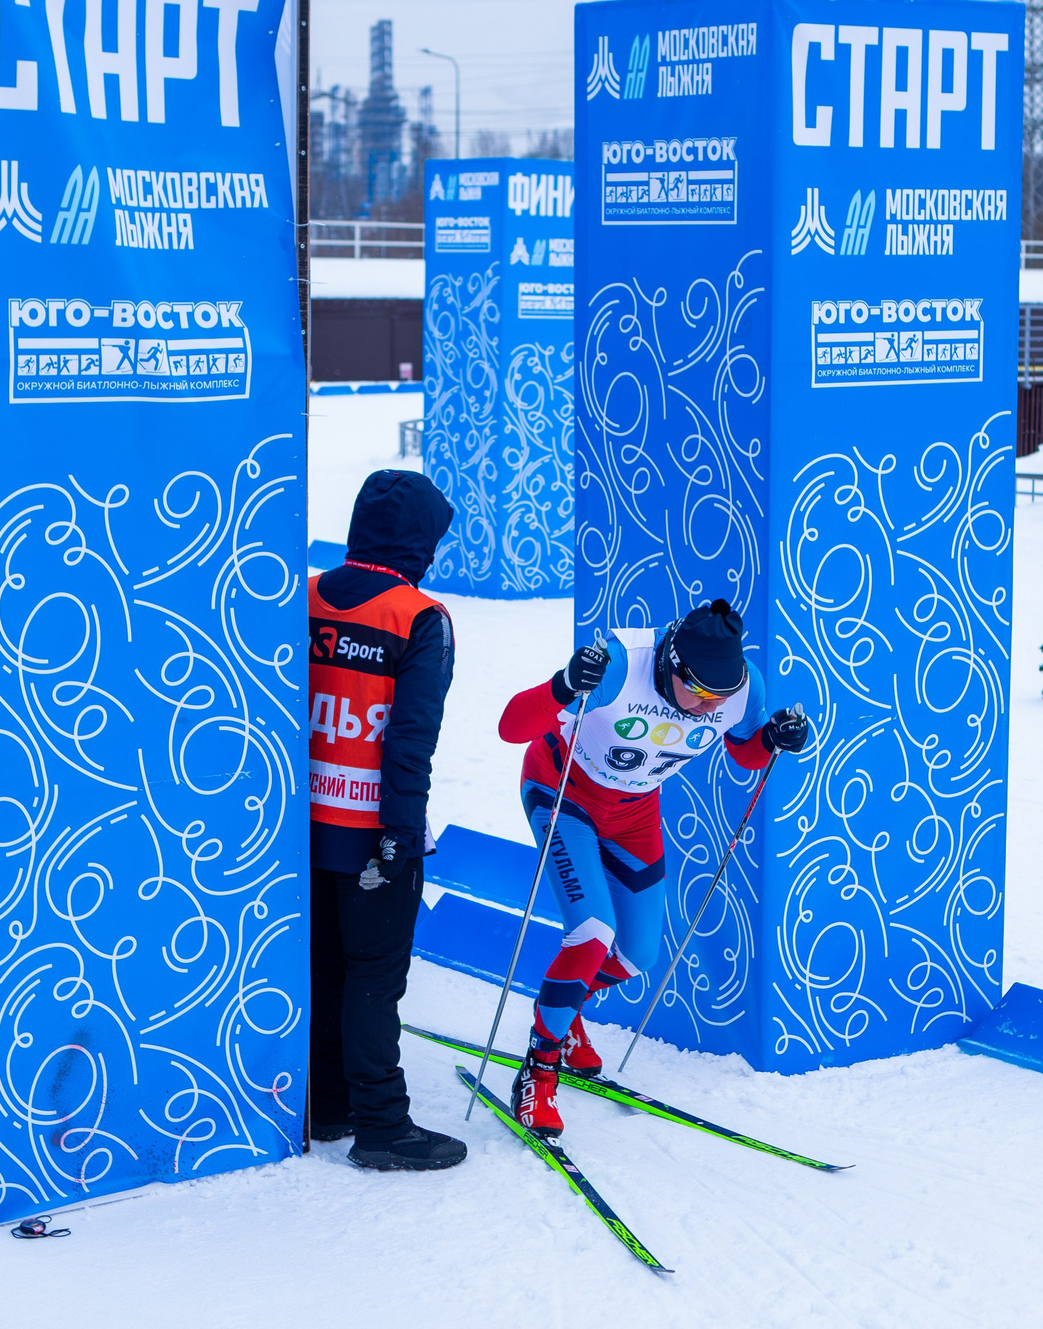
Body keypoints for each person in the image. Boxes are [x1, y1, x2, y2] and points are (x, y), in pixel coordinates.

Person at [494, 599, 813, 1137]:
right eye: (699, 692)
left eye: (720, 696)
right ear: (670, 663)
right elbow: (510, 727)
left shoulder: (740, 688)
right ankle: (539, 1068)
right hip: (563, 790)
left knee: (638, 955)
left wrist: (772, 740)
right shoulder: (623, 663)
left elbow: (745, 752)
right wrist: (564, 684)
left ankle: (563, 1009)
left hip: (634, 811)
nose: (706, 707)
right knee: (593, 933)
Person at [307, 470, 467, 1172]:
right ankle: (380, 1123)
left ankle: (331, 1099)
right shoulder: (419, 616)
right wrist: (402, 836)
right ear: (420, 542)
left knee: (323, 966)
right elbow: (410, 740)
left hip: (300, 821)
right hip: (373, 826)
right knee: (374, 975)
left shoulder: (305, 593)